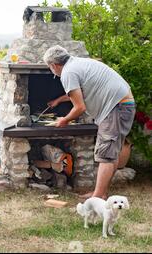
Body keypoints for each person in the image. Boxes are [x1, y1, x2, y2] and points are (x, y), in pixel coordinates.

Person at [43, 45, 136, 200]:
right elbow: (80, 91)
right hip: (121, 105)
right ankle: (100, 194)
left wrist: (64, 120)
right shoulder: (77, 63)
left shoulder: (68, 73)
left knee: (105, 154)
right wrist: (58, 100)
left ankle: (98, 197)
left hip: (116, 108)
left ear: (54, 65)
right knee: (110, 153)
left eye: (49, 68)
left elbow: (79, 107)